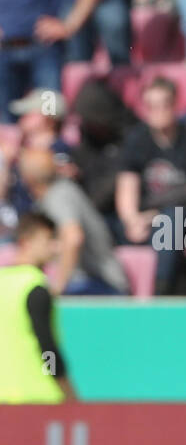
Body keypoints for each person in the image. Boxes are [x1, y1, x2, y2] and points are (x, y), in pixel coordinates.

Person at [115, 76, 186, 295]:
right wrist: (132, 221)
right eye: (152, 106)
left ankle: (161, 294)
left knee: (171, 222)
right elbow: (127, 185)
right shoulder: (136, 140)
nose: (158, 111)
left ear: (175, 104)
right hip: (144, 221)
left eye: (164, 105)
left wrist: (152, 216)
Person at [20, 145, 128, 295]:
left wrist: (58, 287)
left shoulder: (59, 196)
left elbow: (73, 238)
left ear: (27, 179)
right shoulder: (59, 193)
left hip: (100, 286)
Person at [0, 211, 75, 403]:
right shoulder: (35, 287)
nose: (56, 248)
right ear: (26, 242)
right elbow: (47, 348)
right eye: (49, 239)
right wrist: (68, 391)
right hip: (38, 399)